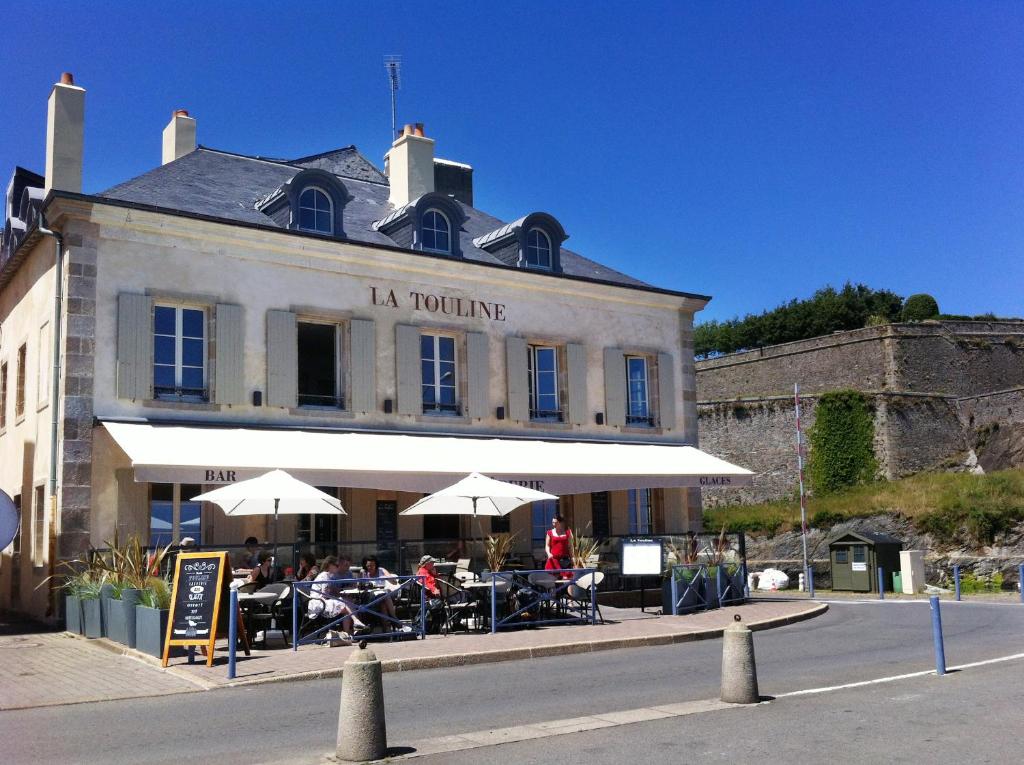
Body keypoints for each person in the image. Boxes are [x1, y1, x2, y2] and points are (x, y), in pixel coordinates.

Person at [309, 555, 362, 641]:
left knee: (347, 604)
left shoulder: (327, 575)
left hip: (322, 602)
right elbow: (325, 594)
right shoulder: (325, 575)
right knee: (346, 604)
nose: (338, 568)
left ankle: (348, 632)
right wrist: (338, 595)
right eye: (336, 566)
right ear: (330, 565)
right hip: (319, 604)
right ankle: (355, 624)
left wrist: (337, 594)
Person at [361, 555, 398, 620]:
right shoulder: (364, 572)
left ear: (376, 565)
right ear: (365, 566)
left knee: (383, 604)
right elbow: (360, 586)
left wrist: (386, 577)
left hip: (382, 597)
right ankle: (394, 618)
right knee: (385, 595)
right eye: (368, 566)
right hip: (370, 599)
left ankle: (386, 628)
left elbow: (394, 582)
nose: (370, 567)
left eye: (372, 565)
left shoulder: (381, 570)